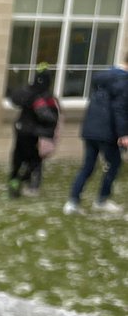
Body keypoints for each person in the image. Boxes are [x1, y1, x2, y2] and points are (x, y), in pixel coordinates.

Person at [63, 52, 128, 214]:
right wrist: (124, 134)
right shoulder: (123, 82)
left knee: (87, 167)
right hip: (107, 132)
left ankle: (72, 202)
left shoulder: (103, 78)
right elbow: (120, 109)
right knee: (114, 164)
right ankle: (102, 200)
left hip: (90, 129)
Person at [7, 63, 60, 197]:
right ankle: (22, 183)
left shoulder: (30, 93)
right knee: (33, 160)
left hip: (23, 130)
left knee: (20, 159)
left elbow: (16, 98)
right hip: (32, 132)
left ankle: (16, 182)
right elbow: (49, 117)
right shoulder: (42, 97)